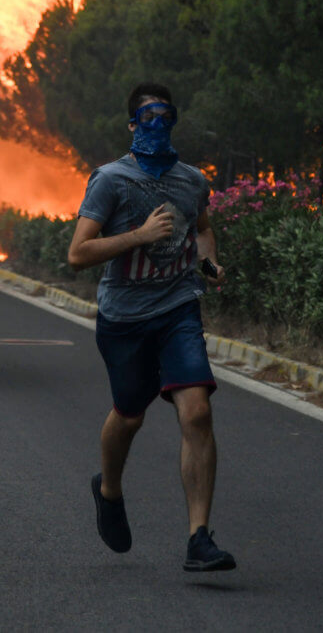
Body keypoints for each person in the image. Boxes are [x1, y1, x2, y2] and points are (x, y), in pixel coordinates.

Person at [68, 83, 236, 572]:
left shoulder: (191, 180)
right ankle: (109, 490)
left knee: (198, 412)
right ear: (132, 125)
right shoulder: (110, 180)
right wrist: (140, 235)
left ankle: (199, 538)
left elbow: (201, 226)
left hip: (178, 308)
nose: (158, 125)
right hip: (124, 318)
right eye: (148, 117)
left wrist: (208, 262)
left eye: (166, 116)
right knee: (130, 415)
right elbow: (77, 253)